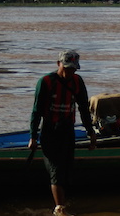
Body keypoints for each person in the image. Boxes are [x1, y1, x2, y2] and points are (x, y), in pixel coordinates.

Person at [28, 50, 97, 216]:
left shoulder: (77, 82)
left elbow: (83, 109)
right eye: (67, 68)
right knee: (56, 171)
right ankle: (59, 209)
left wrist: (91, 132)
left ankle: (62, 202)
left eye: (73, 69)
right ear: (58, 64)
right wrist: (33, 136)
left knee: (66, 171)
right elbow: (36, 111)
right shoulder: (45, 82)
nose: (70, 72)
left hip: (67, 131)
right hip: (49, 132)